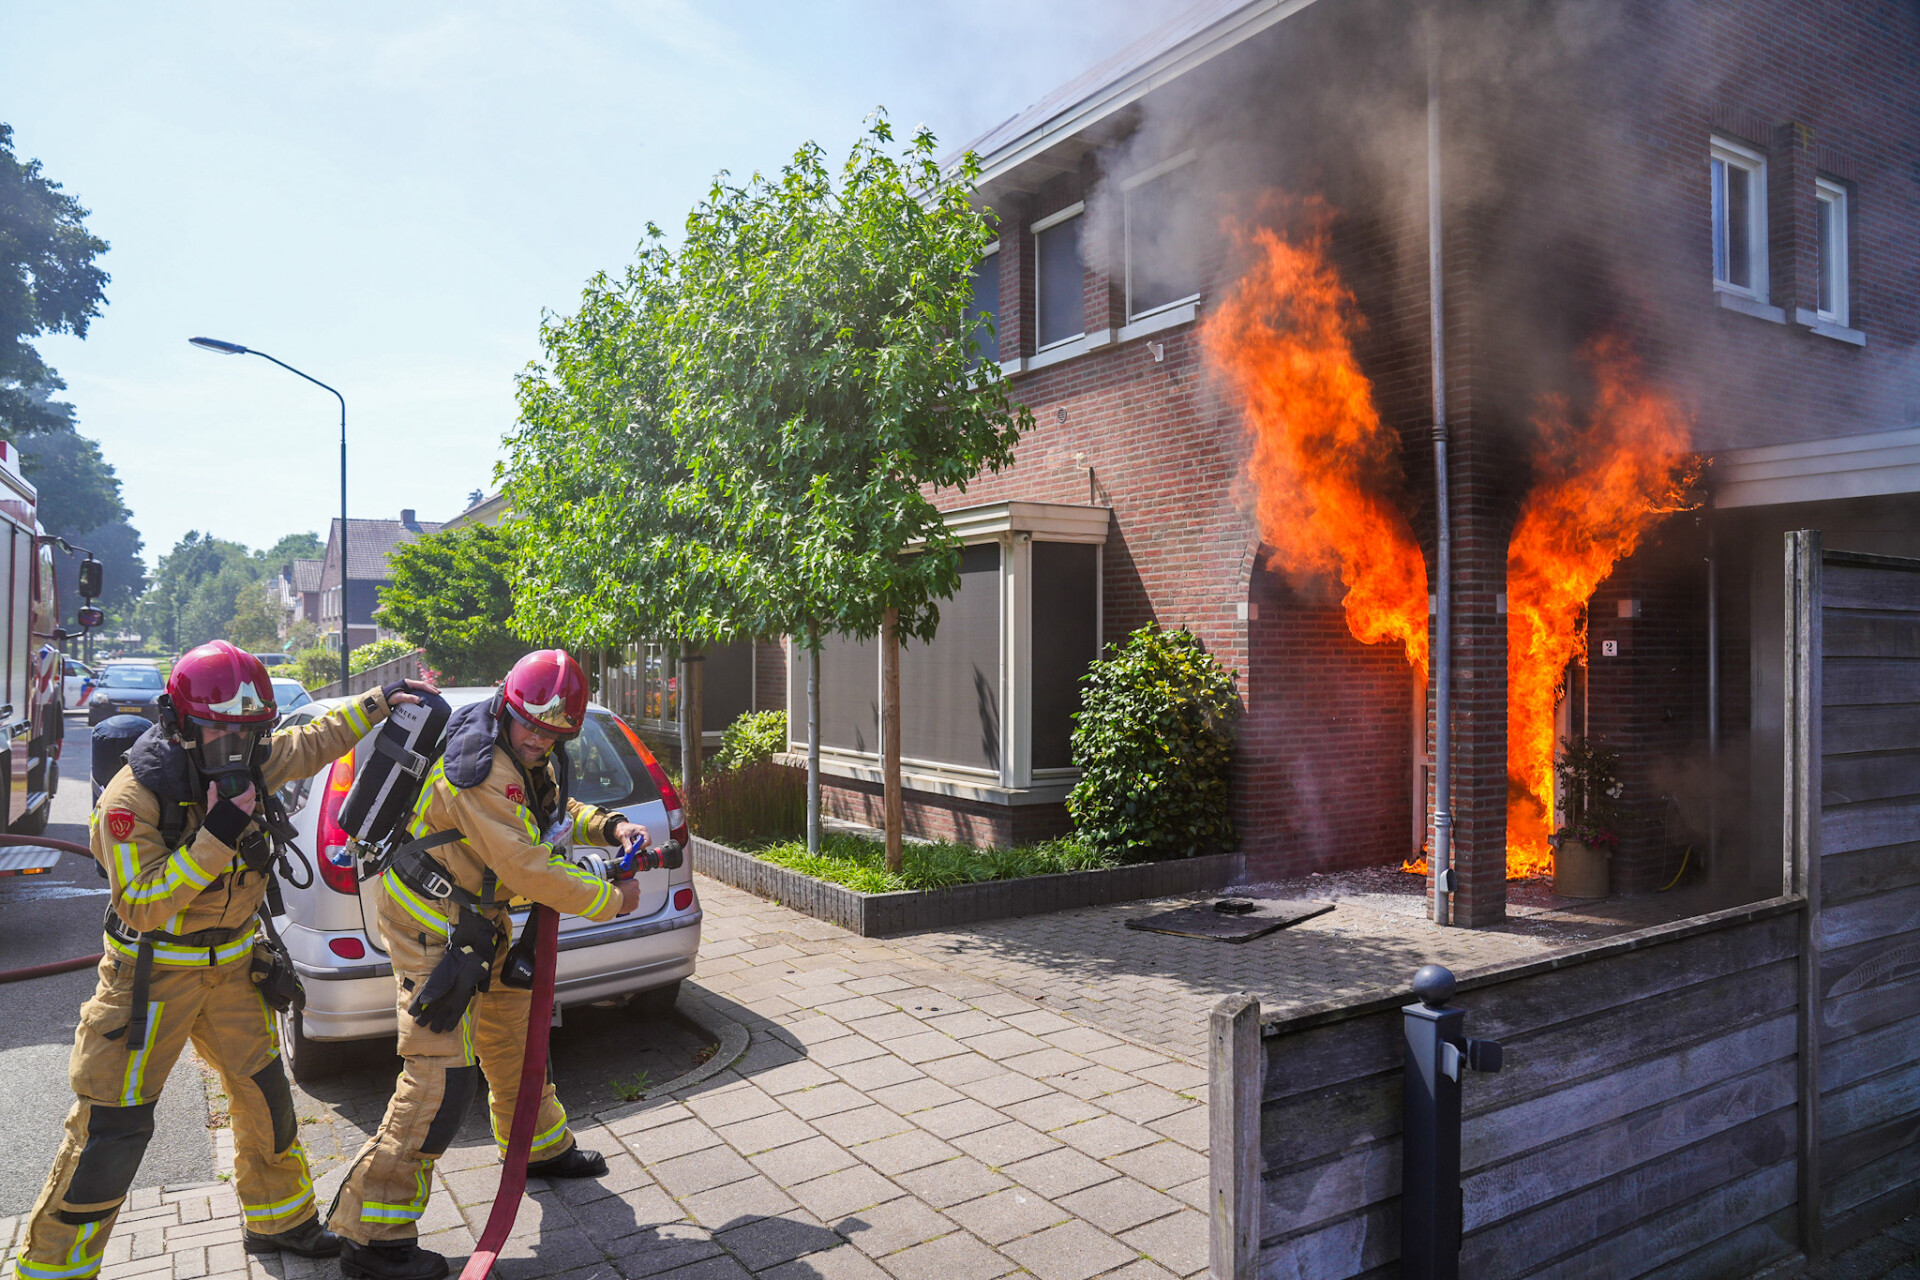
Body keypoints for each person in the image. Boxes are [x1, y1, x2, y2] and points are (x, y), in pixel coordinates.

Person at [12, 640, 436, 1280]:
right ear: (180, 725)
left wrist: (379, 702)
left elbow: (313, 741)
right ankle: (55, 1267)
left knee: (265, 1097)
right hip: (151, 981)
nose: (235, 750)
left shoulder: (254, 758)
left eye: (248, 734)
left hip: (235, 969)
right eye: (218, 733)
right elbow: (142, 904)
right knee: (112, 1129)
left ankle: (281, 1220)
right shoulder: (131, 799)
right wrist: (215, 837)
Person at [327, 649, 649, 1280]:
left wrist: (611, 827)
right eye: (532, 727)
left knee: (515, 1036)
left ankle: (540, 1146)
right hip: (429, 925)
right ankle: (371, 1238)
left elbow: (548, 815)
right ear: (508, 704)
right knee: (440, 1079)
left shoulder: (521, 748)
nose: (539, 741)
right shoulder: (478, 772)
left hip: (476, 921)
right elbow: (528, 866)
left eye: (553, 735)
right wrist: (613, 899)